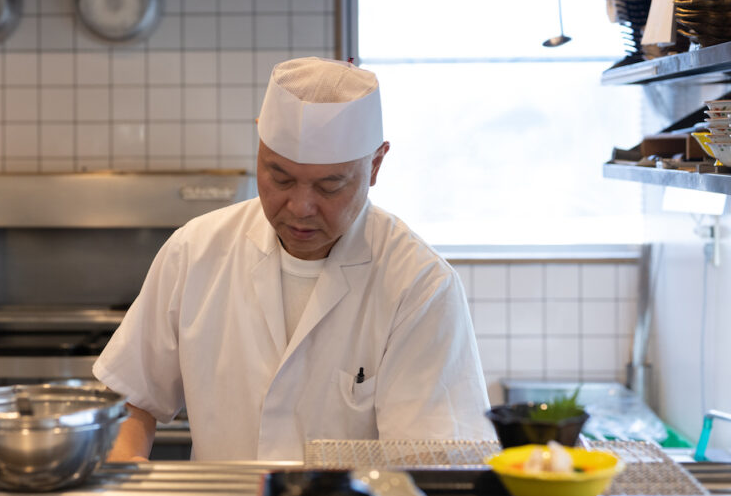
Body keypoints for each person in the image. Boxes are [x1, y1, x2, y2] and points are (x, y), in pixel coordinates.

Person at [92, 56, 492, 462]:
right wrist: (127, 471)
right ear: (259, 145)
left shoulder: (419, 285)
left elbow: (433, 457)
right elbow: (131, 400)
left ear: (375, 165)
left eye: (329, 185)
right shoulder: (195, 251)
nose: (300, 207)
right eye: (280, 177)